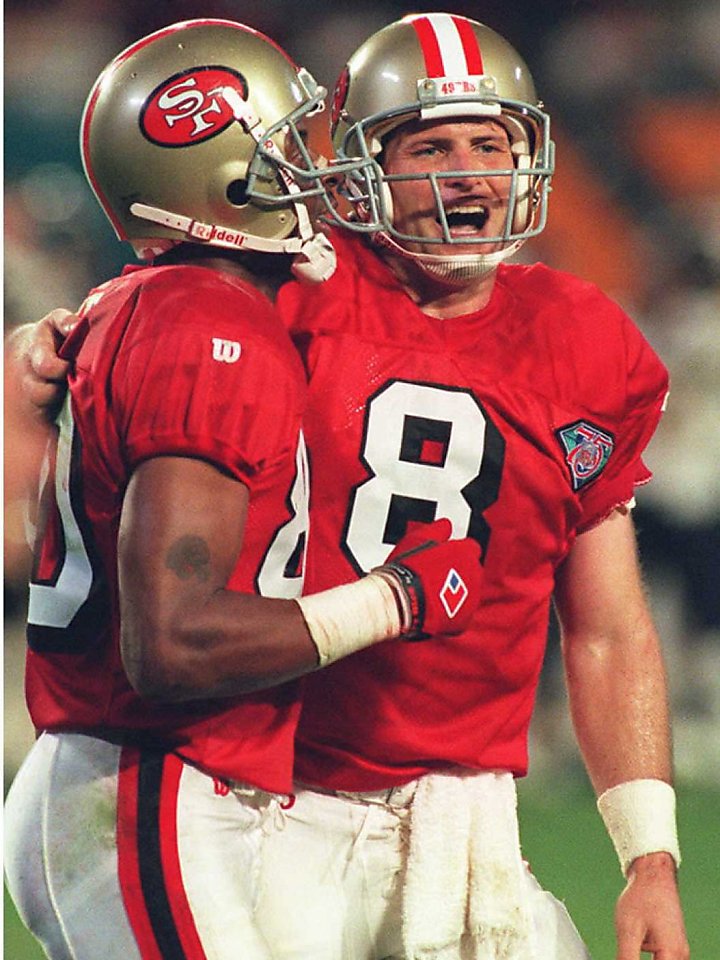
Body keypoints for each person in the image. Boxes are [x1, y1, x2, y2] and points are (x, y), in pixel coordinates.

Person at [13, 12, 689, 960]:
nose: (467, 173)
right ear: (364, 162)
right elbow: (154, 322)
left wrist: (648, 857)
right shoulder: (287, 282)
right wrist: (41, 341)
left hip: (466, 813)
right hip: (275, 797)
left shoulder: (587, 339)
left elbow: (610, 625)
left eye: (491, 142)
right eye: (431, 145)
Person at [2, 18, 484, 960]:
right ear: (217, 171)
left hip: (138, 785)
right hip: (143, 787)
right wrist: (396, 599)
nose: (318, 167)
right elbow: (172, 644)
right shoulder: (204, 326)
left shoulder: (158, 304)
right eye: (288, 146)